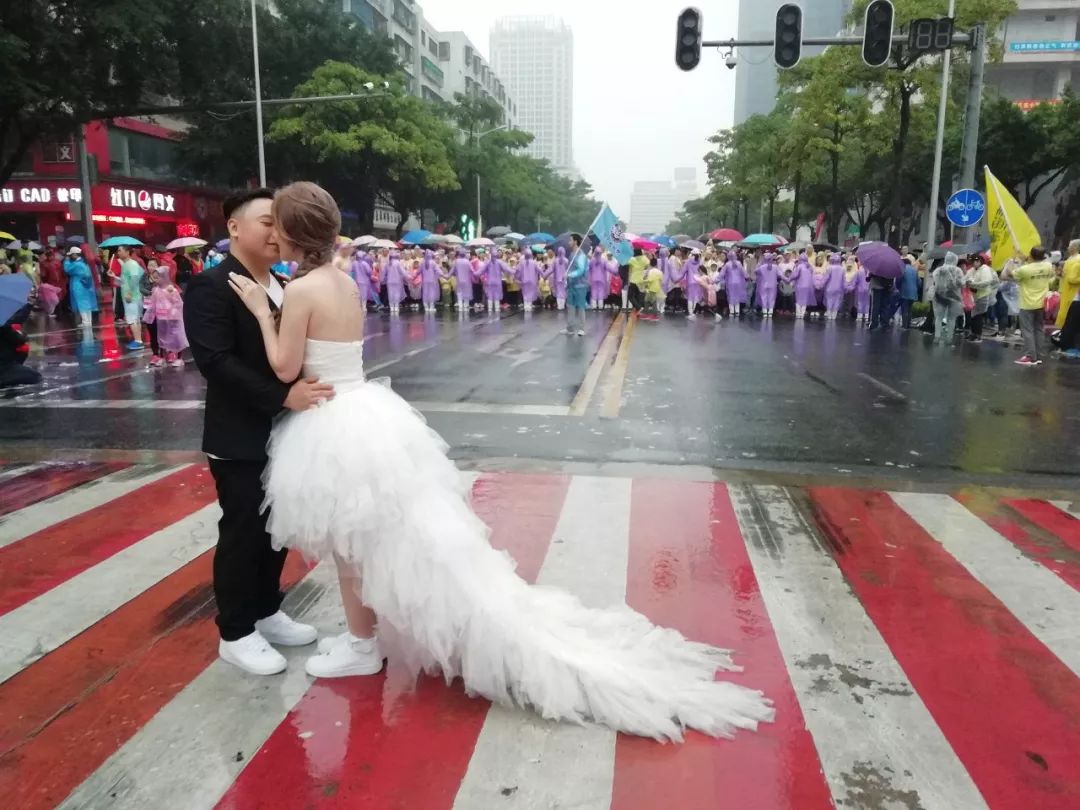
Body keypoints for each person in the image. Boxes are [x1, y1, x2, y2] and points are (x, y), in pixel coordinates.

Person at [226, 180, 774, 741]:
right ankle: (365, 637)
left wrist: (263, 314)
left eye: (276, 225)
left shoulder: (301, 290)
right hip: (366, 411)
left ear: (291, 232)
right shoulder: (343, 281)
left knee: (351, 548)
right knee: (373, 540)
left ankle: (363, 645)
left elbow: (285, 366)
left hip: (332, 420)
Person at [183, 188, 333, 676]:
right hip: (240, 435)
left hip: (285, 433)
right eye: (267, 222)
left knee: (277, 526)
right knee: (243, 529)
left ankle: (266, 609)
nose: (277, 233)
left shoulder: (284, 284)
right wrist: (282, 396)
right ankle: (235, 631)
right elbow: (215, 361)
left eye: (280, 224)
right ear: (234, 227)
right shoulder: (211, 285)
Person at [1012, 246, 1055, 366]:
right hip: (1042, 303)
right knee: (1039, 329)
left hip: (1027, 303)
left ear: (1031, 255)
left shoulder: (1025, 269)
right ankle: (1039, 355)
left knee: (1027, 331)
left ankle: (1030, 356)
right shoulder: (1048, 266)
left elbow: (1012, 273)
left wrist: (1014, 260)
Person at [930, 252, 965, 344]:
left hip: (939, 296)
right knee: (951, 318)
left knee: (938, 317)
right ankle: (949, 338)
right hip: (954, 297)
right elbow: (962, 283)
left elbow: (934, 280)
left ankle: (937, 337)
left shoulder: (939, 269)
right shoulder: (958, 270)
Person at [964, 255, 998, 343]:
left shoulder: (985, 269)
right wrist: (967, 282)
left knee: (978, 316)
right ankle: (973, 333)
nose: (974, 263)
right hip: (973, 296)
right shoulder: (972, 270)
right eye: (972, 262)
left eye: (976, 261)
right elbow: (965, 279)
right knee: (973, 315)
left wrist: (972, 284)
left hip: (983, 295)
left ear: (980, 261)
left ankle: (978, 335)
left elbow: (986, 282)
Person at [117, 245, 145, 350]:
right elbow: (126, 280)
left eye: (120, 250)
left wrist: (129, 293)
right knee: (135, 318)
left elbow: (134, 278)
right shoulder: (128, 264)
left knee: (132, 318)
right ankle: (138, 340)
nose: (118, 253)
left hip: (132, 297)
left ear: (127, 252)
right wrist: (114, 276)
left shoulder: (131, 264)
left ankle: (138, 341)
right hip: (133, 295)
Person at [63, 245, 98, 327]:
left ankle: (85, 322)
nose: (70, 257)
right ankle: (88, 321)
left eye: (71, 255)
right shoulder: (84, 263)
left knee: (81, 304)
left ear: (75, 254)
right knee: (86, 304)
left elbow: (67, 269)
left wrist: (66, 261)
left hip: (79, 286)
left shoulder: (77, 264)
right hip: (86, 286)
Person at [1054, 239, 1080, 330]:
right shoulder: (1070, 259)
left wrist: (1069, 278)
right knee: (1064, 311)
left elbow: (1072, 279)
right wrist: (1061, 274)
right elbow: (1067, 276)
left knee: (1068, 312)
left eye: (1069, 246)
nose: (1068, 248)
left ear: (1075, 247)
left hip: (1073, 292)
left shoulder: (1077, 260)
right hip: (1065, 290)